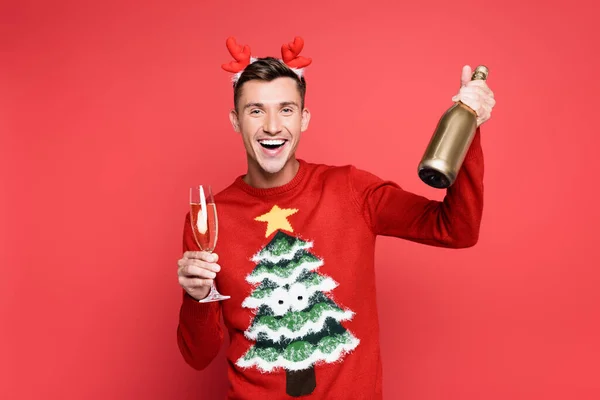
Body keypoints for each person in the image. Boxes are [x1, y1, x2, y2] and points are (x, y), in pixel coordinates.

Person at [176, 36, 495, 399]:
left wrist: (469, 128)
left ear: (304, 118)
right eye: (255, 111)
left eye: (286, 109)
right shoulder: (208, 219)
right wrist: (197, 298)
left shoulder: (350, 189)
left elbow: (456, 229)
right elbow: (198, 356)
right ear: (236, 121)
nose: (271, 126)